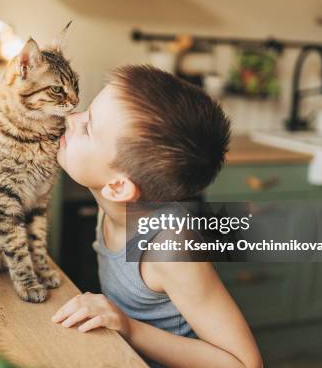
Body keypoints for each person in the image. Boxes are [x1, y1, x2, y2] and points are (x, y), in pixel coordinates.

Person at [52, 65, 262, 368]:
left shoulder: (170, 247)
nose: (71, 117)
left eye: (88, 127)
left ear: (118, 186)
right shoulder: (110, 201)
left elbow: (244, 364)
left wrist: (127, 325)